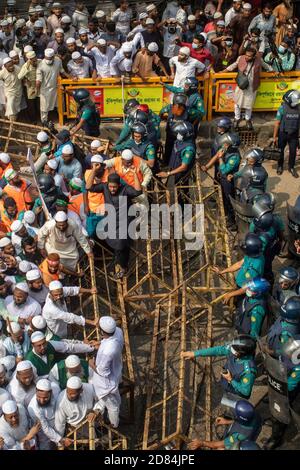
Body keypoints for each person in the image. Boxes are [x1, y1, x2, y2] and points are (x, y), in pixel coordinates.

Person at [86, 173, 142, 279]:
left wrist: (135, 175)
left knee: (122, 244)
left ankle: (122, 268)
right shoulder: (104, 187)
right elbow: (88, 187)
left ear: (119, 185)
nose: (112, 189)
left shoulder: (125, 189)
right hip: (111, 221)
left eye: (114, 187)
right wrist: (93, 170)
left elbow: (138, 191)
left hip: (125, 222)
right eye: (110, 186)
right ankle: (117, 265)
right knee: (114, 244)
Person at [182, 334, 257, 399]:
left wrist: (231, 380)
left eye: (234, 350)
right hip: (227, 382)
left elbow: (245, 391)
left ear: (240, 354)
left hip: (236, 394)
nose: (231, 349)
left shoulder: (248, 371)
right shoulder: (236, 348)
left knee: (231, 412)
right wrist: (195, 353)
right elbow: (218, 350)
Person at [90, 316, 124, 428]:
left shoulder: (108, 351)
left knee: (112, 407)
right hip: (116, 373)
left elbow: (102, 372)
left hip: (106, 383)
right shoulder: (118, 331)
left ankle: (113, 428)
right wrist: (99, 343)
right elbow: (107, 340)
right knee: (116, 400)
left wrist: (91, 364)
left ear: (102, 331)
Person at [202, 133, 241, 228]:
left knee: (229, 200)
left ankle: (232, 222)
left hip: (228, 180)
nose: (224, 145)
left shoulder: (234, 157)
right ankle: (226, 215)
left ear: (231, 145)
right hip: (222, 178)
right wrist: (207, 166)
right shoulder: (226, 148)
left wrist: (220, 158)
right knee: (222, 197)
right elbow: (216, 155)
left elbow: (224, 170)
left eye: (226, 144)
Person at [188, 400, 261, 450]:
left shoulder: (238, 436)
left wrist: (202, 443)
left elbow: (218, 444)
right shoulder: (254, 414)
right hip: (251, 436)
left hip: (243, 440)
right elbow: (243, 422)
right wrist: (227, 421)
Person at [223, 47, 266, 131]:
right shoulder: (240, 58)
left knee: (249, 104)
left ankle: (247, 119)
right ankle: (237, 118)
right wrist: (224, 71)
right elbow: (234, 65)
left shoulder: (258, 60)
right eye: (246, 55)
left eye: (249, 56)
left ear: (253, 57)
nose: (247, 57)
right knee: (238, 102)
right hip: (241, 85)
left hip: (252, 86)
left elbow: (265, 65)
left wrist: (273, 71)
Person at [28, 378, 69, 450]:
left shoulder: (56, 388)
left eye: (45, 397)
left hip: (58, 421)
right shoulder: (33, 408)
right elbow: (45, 428)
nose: (42, 400)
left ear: (51, 392)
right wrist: (59, 439)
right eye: (39, 397)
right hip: (44, 431)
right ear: (36, 392)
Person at [273, 89, 300, 178]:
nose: (296, 102)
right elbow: (277, 123)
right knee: (280, 151)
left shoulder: (298, 108)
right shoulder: (282, 108)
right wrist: (274, 137)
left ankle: (291, 167)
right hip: (282, 134)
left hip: (294, 134)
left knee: (293, 152)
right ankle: (280, 166)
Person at [36, 48, 65, 127]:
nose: (49, 60)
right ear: (44, 57)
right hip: (45, 90)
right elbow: (38, 80)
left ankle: (61, 120)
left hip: (56, 87)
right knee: (44, 108)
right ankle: (44, 122)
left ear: (53, 57)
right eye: (47, 58)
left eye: (50, 58)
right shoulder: (40, 65)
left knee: (60, 105)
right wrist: (37, 90)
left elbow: (62, 71)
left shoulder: (58, 61)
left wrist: (71, 77)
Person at [17, 51, 40, 124]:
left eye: (35, 59)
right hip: (31, 87)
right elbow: (19, 77)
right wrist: (26, 79)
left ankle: (40, 118)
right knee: (31, 104)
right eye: (32, 60)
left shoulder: (39, 61)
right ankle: (33, 120)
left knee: (39, 102)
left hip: (39, 85)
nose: (34, 61)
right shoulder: (25, 66)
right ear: (29, 60)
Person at [0, 57, 22, 121]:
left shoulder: (18, 69)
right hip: (9, 92)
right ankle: (12, 124)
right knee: (11, 105)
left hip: (18, 91)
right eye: (9, 66)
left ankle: (13, 121)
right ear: (5, 66)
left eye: (12, 65)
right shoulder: (2, 73)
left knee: (15, 108)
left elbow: (24, 77)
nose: (11, 67)